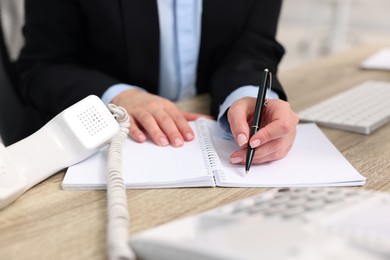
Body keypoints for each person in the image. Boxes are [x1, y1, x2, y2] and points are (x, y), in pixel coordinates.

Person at [16, 0, 298, 165]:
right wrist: (118, 96)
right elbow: (42, 65)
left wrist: (248, 94)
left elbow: (253, 44)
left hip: (202, 134)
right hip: (97, 148)